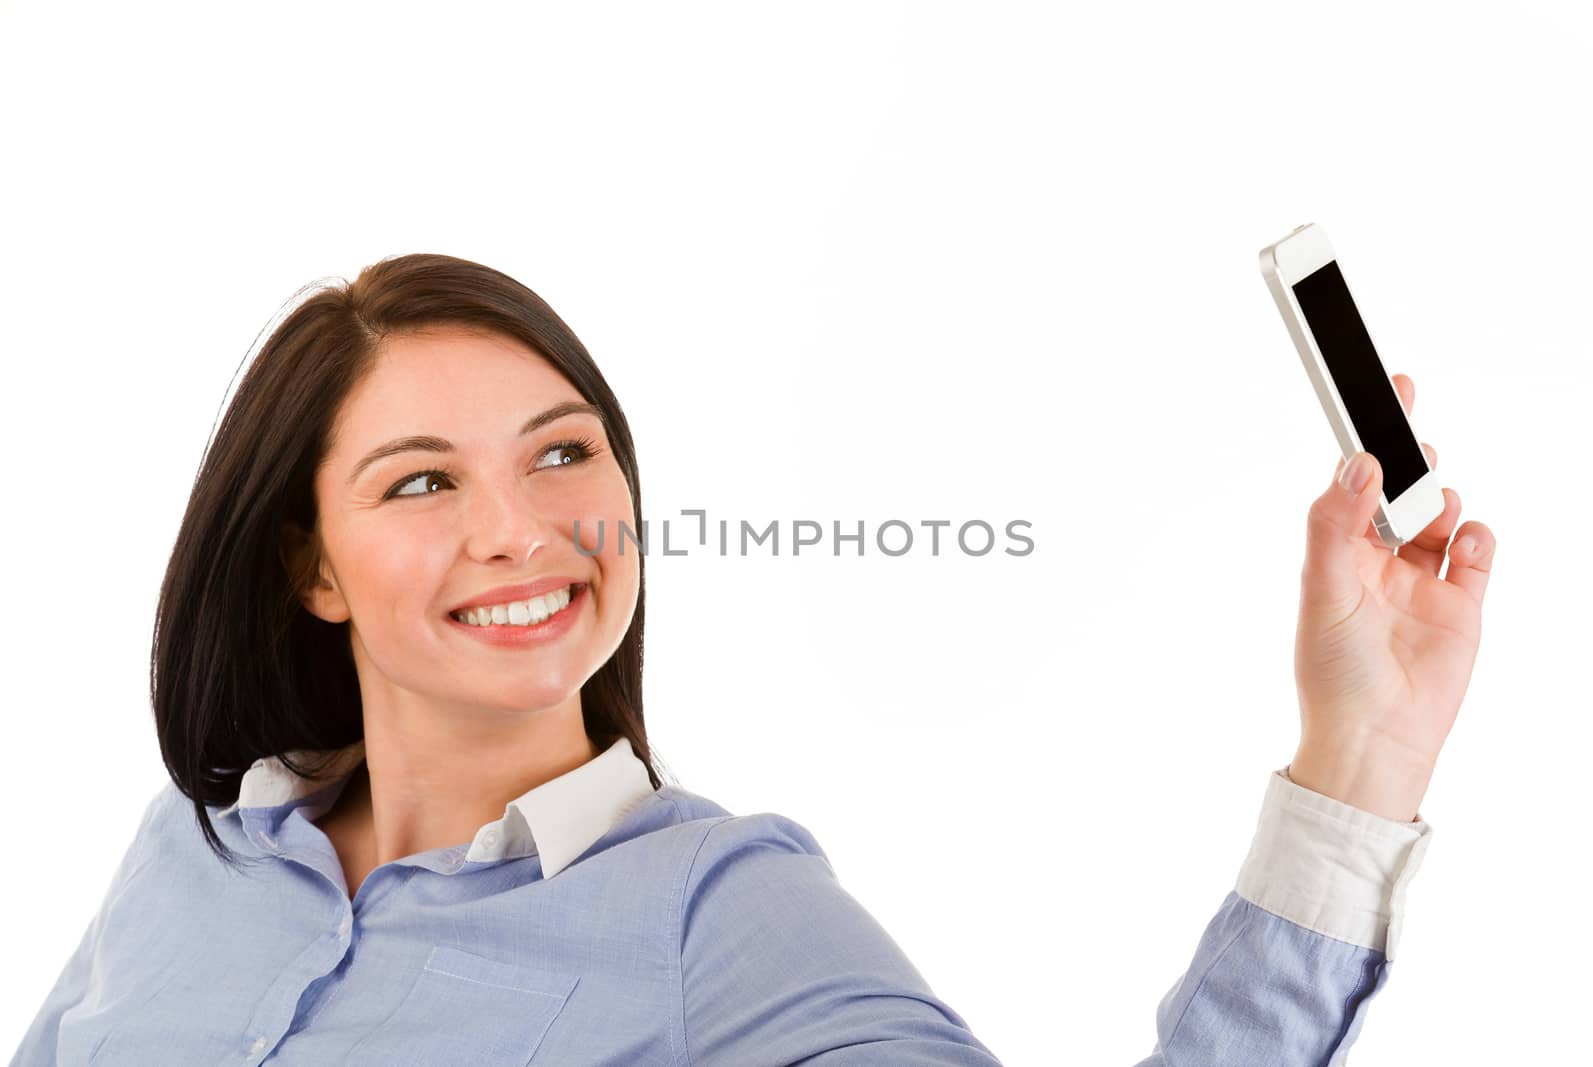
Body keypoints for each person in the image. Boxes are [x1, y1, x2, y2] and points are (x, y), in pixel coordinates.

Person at [9, 253, 1494, 1066]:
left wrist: (1360, 760)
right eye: (421, 482)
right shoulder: (199, 850)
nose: (523, 531)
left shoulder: (721, 914)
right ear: (308, 566)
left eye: (563, 456)